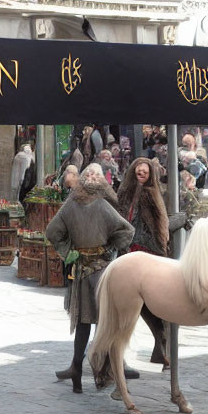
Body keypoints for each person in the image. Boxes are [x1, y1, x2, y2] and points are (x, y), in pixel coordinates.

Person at [46, 163, 134, 393]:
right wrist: (109, 248)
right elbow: (127, 230)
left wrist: (69, 252)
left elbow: (52, 232)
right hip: (101, 272)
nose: (92, 177)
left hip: (83, 271)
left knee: (85, 323)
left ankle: (81, 369)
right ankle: (102, 371)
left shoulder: (71, 204)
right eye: (89, 173)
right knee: (102, 323)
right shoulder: (102, 205)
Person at [117, 158, 170, 367]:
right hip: (127, 251)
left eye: (145, 171)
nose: (141, 172)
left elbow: (161, 224)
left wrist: (161, 247)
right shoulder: (124, 194)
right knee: (131, 307)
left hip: (146, 253)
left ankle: (160, 345)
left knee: (151, 305)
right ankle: (119, 355)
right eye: (138, 170)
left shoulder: (152, 194)